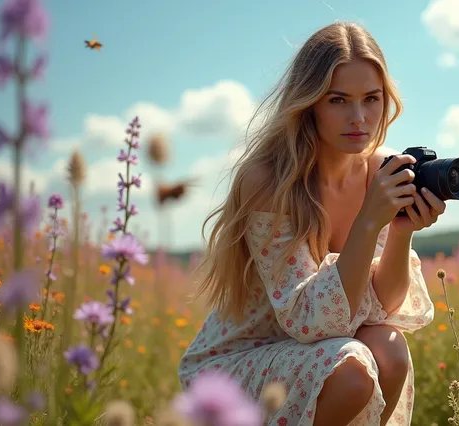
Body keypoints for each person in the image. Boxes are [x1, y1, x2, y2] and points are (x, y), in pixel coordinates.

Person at [179, 21, 444, 426]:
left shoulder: (382, 170)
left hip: (322, 352)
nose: (359, 118)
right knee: (353, 368)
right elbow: (313, 323)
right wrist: (369, 220)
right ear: (309, 103)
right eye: (338, 100)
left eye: (371, 99)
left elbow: (385, 306)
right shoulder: (270, 181)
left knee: (389, 347)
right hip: (239, 367)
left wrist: (401, 231)